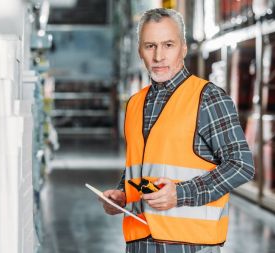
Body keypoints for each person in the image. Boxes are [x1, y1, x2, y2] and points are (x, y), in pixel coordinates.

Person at [99, 8, 255, 253]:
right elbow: (145, 167)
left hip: (190, 245)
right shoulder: (135, 104)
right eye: (150, 46)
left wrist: (181, 194)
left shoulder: (208, 98)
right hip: (141, 241)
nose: (159, 55)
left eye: (168, 45)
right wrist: (121, 195)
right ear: (140, 51)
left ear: (183, 48)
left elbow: (241, 164)